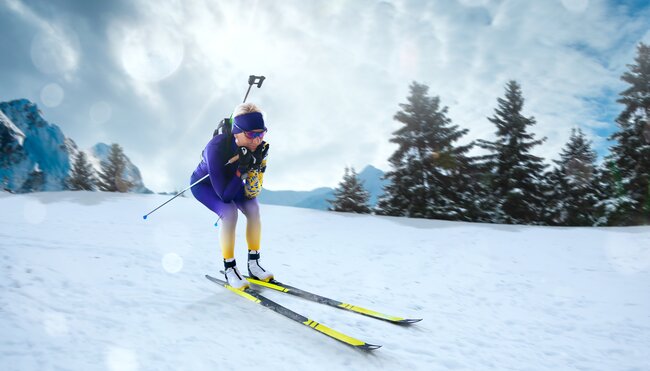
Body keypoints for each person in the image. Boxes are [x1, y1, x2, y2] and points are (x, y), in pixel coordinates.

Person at [190, 102, 272, 290]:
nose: (257, 139)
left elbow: (253, 190)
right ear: (237, 132)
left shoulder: (257, 146)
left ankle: (254, 264)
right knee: (229, 212)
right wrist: (241, 169)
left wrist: (257, 166)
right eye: (251, 134)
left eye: (261, 133)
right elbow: (225, 196)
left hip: (232, 181)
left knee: (253, 208)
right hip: (207, 186)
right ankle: (230, 268)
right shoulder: (215, 148)